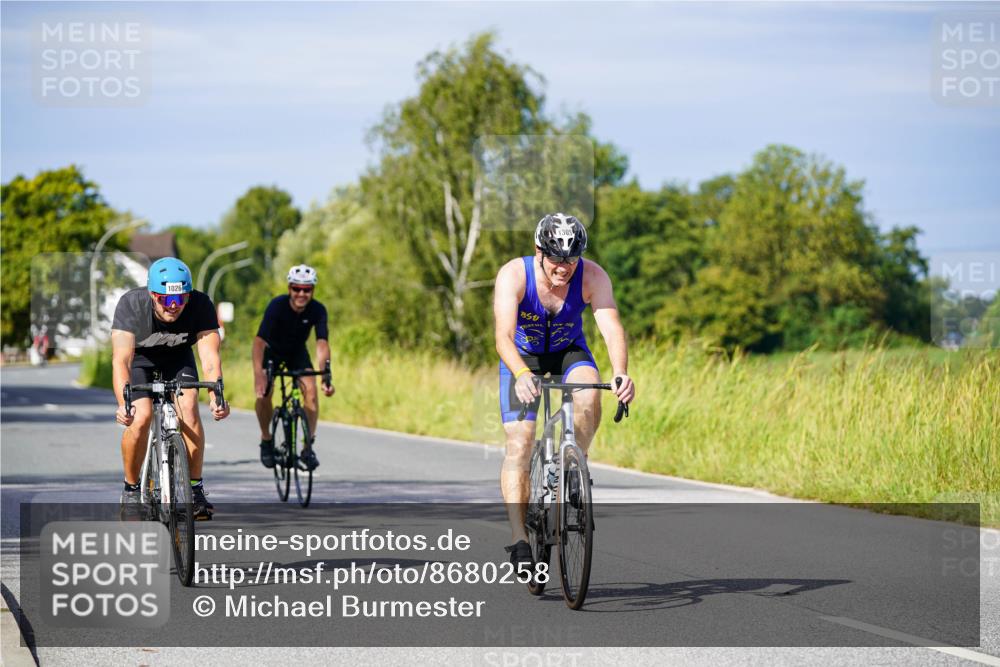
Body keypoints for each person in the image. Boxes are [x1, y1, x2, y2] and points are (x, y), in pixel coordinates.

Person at [493, 213, 636, 565]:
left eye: (572, 258)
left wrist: (620, 373)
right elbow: (503, 337)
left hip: (568, 351)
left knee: (589, 393)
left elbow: (611, 326)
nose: (564, 267)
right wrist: (523, 373)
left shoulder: (593, 276)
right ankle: (519, 540)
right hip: (522, 357)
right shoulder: (514, 274)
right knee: (521, 442)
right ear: (538, 250)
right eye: (556, 258)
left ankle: (576, 464)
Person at [112, 257, 230, 519]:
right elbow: (121, 359)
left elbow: (210, 358)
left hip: (178, 359)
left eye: (180, 299)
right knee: (140, 418)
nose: (174, 306)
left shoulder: (200, 305)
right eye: (166, 299)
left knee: (189, 409)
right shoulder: (131, 305)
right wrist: (124, 403)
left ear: (188, 295)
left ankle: (195, 489)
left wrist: (216, 396)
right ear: (153, 295)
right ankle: (131, 489)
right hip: (139, 361)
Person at [254, 264, 334, 471]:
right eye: (296, 288)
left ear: (312, 291)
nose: (301, 294)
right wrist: (259, 375)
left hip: (297, 353)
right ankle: (266, 440)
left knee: (312, 394)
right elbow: (259, 342)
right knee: (264, 395)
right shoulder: (277, 306)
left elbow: (322, 344)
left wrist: (326, 375)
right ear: (289, 288)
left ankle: (307, 449)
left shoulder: (318, 310)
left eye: (306, 290)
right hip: (273, 351)